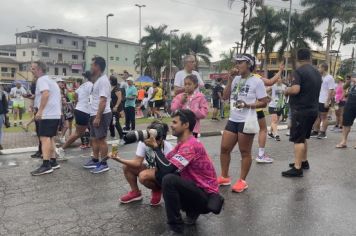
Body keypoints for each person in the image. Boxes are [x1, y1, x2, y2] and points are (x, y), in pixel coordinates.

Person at [144, 109, 220, 234]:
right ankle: (191, 211)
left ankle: (176, 228)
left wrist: (156, 149)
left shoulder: (191, 145)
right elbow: (164, 168)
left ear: (186, 125)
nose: (171, 126)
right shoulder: (181, 144)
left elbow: (168, 170)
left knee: (169, 179)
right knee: (161, 176)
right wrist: (156, 146)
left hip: (206, 197)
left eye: (174, 122)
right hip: (196, 190)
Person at [218, 54, 268, 192]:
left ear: (249, 64)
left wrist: (248, 105)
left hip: (247, 120)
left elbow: (264, 101)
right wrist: (229, 79)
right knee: (224, 148)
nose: (237, 65)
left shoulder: (256, 81)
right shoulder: (236, 79)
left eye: (241, 62)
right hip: (233, 118)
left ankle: (242, 181)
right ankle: (224, 176)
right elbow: (225, 96)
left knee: (244, 151)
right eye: (237, 63)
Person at [110, 121, 173, 206]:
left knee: (143, 176)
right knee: (127, 167)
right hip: (151, 168)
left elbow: (169, 170)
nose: (147, 140)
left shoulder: (168, 147)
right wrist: (119, 159)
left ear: (160, 139)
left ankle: (156, 189)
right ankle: (135, 192)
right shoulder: (143, 142)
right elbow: (137, 163)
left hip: (164, 173)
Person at [282, 48, 322, 177]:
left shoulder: (298, 72)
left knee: (298, 139)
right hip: (313, 110)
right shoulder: (316, 72)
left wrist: (286, 90)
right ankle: (304, 162)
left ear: (298, 58)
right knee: (303, 137)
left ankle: (297, 168)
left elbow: (295, 89)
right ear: (310, 57)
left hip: (301, 110)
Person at [31, 61, 62, 176]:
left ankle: (46, 165)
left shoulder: (42, 79)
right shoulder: (51, 80)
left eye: (33, 68)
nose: (31, 70)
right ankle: (53, 162)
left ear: (39, 69)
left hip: (48, 114)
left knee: (44, 138)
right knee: (50, 138)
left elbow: (45, 94)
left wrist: (40, 111)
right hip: (54, 114)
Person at [83, 57, 112, 174]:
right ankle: (95, 160)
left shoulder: (104, 81)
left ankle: (104, 163)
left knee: (101, 139)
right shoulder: (98, 80)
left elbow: (103, 100)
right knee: (94, 138)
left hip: (101, 114)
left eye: (92, 65)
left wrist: (98, 116)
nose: (90, 67)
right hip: (94, 113)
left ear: (97, 67)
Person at [56, 71, 93, 158]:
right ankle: (61, 149)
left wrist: (79, 101)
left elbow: (75, 96)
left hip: (79, 110)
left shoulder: (82, 86)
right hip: (84, 111)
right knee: (78, 133)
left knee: (90, 131)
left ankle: (93, 151)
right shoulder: (91, 85)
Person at [311, 63, 335, 139]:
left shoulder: (329, 78)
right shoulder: (320, 77)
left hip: (324, 100)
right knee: (316, 116)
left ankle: (323, 133)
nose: (318, 69)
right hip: (318, 99)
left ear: (324, 68)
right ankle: (315, 131)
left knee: (324, 117)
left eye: (319, 68)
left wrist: (327, 101)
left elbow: (331, 90)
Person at [336, 74, 356, 149]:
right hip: (349, 104)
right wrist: (349, 81)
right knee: (346, 123)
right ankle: (343, 142)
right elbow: (344, 87)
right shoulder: (352, 79)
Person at [267, 77, 287, 141]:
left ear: (281, 79)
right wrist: (269, 97)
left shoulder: (284, 86)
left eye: (279, 78)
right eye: (277, 79)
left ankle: (270, 132)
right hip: (273, 105)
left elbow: (286, 95)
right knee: (274, 120)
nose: (278, 80)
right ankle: (276, 135)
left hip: (280, 105)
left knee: (276, 121)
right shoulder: (273, 86)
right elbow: (265, 91)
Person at [109, 76, 124, 144]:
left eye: (109, 80)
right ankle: (112, 135)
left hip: (116, 108)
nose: (108, 81)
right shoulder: (111, 87)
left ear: (112, 81)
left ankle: (122, 137)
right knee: (111, 121)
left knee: (116, 122)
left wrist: (116, 106)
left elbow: (119, 98)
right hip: (111, 107)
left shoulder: (117, 89)